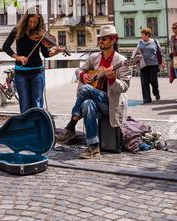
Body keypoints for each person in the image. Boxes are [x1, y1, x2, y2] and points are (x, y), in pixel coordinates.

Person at [56, 25, 131, 159]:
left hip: (111, 104)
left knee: (85, 89)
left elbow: (124, 87)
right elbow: (79, 70)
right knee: (87, 105)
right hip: (95, 102)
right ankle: (93, 146)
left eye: (104, 39)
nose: (100, 41)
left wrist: (112, 79)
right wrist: (82, 76)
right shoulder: (94, 57)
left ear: (113, 40)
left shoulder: (122, 61)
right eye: (99, 38)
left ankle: (71, 125)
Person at [2, 9, 62, 113]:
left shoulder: (41, 33)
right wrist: (18, 57)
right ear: (26, 20)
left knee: (37, 104)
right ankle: (27, 128)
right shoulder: (17, 30)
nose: (32, 24)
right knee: (24, 105)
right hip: (21, 73)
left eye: (35, 22)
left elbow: (45, 53)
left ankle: (37, 127)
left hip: (37, 73)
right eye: (30, 21)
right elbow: (5, 46)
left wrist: (55, 52)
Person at [134, 28, 165, 103]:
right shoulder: (140, 42)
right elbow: (136, 51)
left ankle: (156, 92)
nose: (141, 36)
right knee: (144, 82)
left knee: (153, 80)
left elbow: (160, 52)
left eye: (143, 34)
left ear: (147, 35)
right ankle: (147, 98)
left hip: (153, 64)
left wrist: (162, 62)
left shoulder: (154, 41)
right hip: (143, 64)